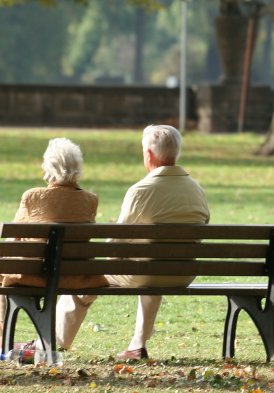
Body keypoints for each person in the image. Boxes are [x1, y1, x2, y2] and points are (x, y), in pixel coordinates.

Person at [0, 138, 107, 359]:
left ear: (49, 168)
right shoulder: (90, 200)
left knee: (6, 262)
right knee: (7, 260)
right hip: (74, 277)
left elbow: (14, 237)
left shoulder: (33, 196)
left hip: (34, 275)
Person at [59, 124, 210, 361]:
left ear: (148, 155)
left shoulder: (141, 190)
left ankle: (57, 341)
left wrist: (112, 262)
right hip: (183, 272)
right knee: (154, 263)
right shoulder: (196, 189)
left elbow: (115, 243)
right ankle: (138, 344)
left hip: (145, 272)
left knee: (83, 281)